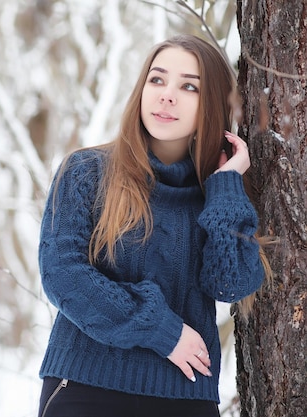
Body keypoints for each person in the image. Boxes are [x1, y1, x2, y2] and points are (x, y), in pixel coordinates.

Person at [36, 34, 271, 417]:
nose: (166, 95)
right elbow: (62, 274)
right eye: (157, 80)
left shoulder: (216, 192)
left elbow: (232, 284)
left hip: (186, 398)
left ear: (211, 103)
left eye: (188, 86)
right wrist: (162, 331)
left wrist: (227, 186)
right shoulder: (86, 172)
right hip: (86, 387)